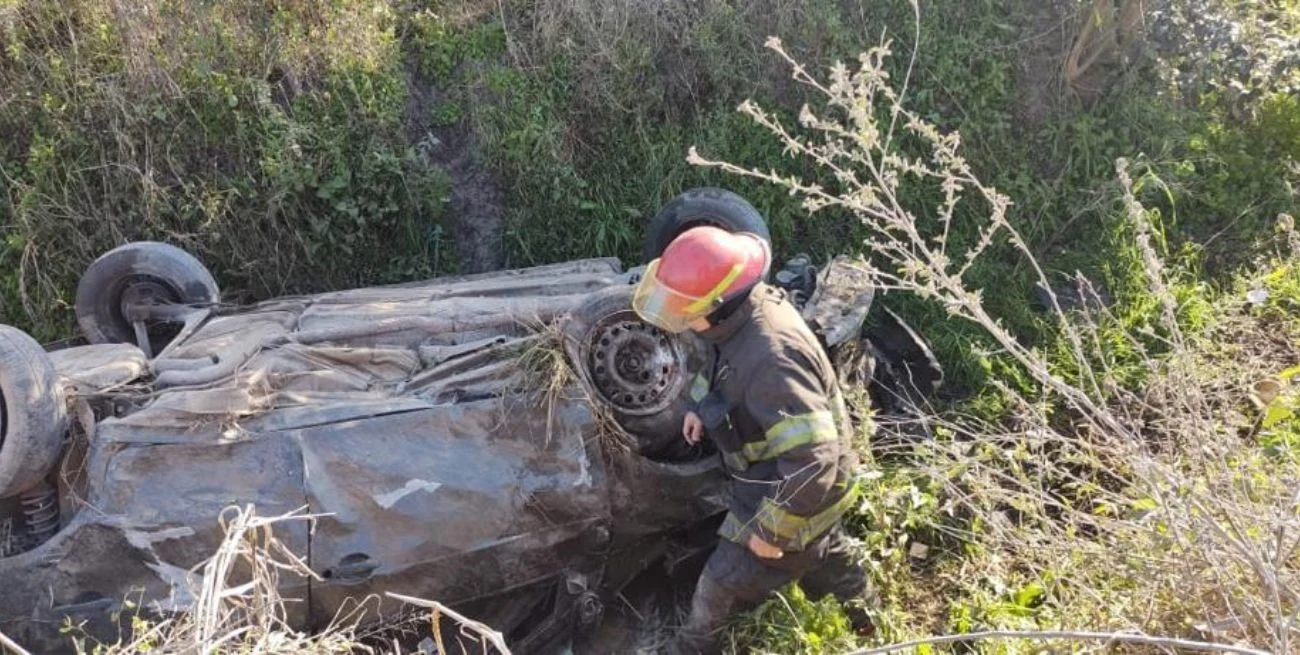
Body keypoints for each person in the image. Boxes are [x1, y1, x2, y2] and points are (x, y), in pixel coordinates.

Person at [631, 225, 874, 654]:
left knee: (720, 585)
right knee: (825, 552)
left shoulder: (773, 359)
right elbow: (722, 364)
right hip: (794, 483)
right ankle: (867, 612)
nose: (684, 321)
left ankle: (690, 649)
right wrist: (697, 406)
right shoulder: (743, 318)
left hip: (797, 492)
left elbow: (814, 461)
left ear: (720, 304)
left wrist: (770, 531)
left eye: (689, 311)